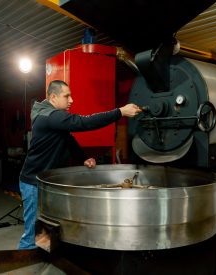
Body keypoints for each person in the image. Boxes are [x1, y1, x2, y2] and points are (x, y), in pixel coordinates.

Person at [18, 79, 141, 249]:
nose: (71, 100)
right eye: (67, 96)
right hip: (32, 183)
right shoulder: (49, 116)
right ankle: (24, 262)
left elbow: (68, 140)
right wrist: (120, 112)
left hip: (46, 181)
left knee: (46, 230)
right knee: (31, 235)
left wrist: (83, 157)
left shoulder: (50, 117)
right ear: (53, 97)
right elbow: (83, 123)